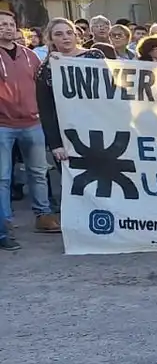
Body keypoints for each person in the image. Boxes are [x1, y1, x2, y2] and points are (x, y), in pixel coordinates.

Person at [36, 17, 107, 234]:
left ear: (77, 35)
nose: (65, 37)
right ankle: (84, 227)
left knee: (105, 177)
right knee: (77, 182)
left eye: (69, 32)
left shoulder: (95, 56)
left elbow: (113, 90)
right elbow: (45, 109)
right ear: (50, 39)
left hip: (100, 130)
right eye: (58, 34)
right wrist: (55, 143)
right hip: (68, 135)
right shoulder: (46, 68)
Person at [0, 10, 49, 245]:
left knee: (39, 172)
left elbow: (43, 86)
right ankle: (5, 224)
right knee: (3, 178)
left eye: (10, 24)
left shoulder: (31, 56)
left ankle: (44, 214)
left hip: (32, 122)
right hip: (2, 125)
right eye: (2, 24)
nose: (7, 28)